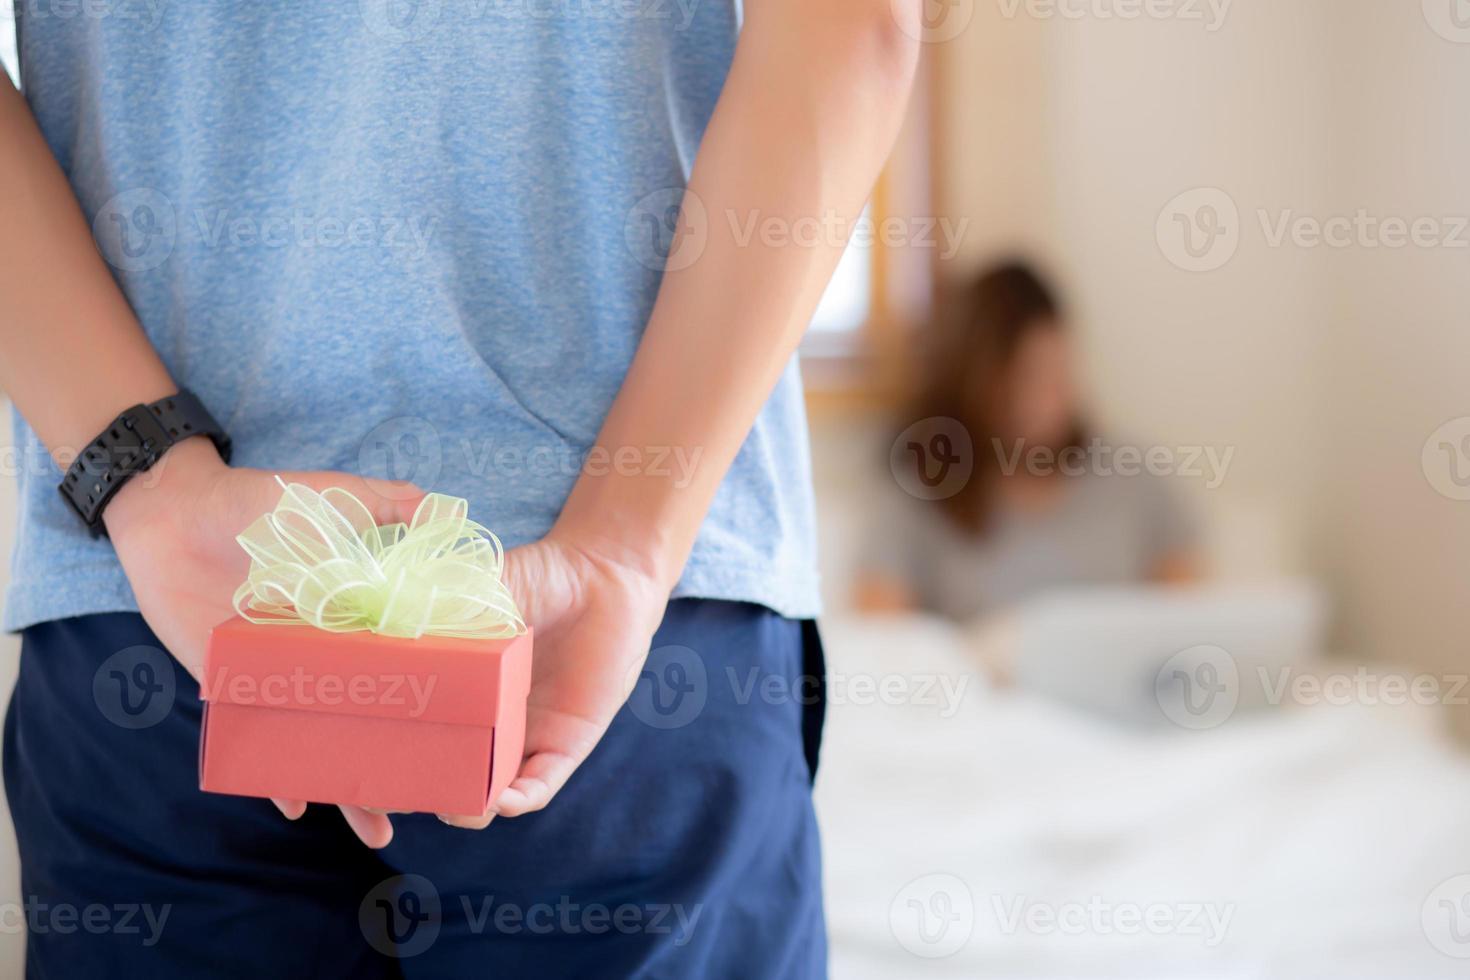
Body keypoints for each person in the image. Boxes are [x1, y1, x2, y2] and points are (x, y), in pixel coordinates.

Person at [0, 3, 921, 975]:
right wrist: (624, 541)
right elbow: (854, 24)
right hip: (621, 619)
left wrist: (149, 484)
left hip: (169, 604)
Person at [857, 262, 1199, 624]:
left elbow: (1188, 632)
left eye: (1056, 374)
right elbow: (883, 639)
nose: (1044, 403)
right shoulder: (918, 492)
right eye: (1024, 380)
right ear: (976, 383)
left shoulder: (1135, 481)